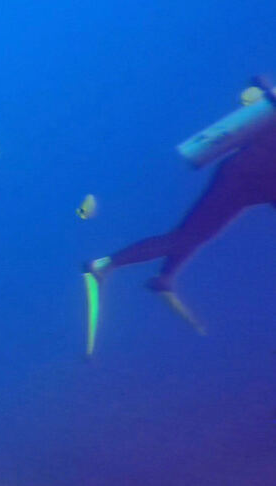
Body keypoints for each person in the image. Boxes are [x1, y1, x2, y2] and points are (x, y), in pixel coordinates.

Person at [86, 118, 276, 333]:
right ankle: (103, 266)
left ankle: (165, 278)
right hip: (241, 181)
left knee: (194, 236)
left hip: (243, 179)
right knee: (186, 237)